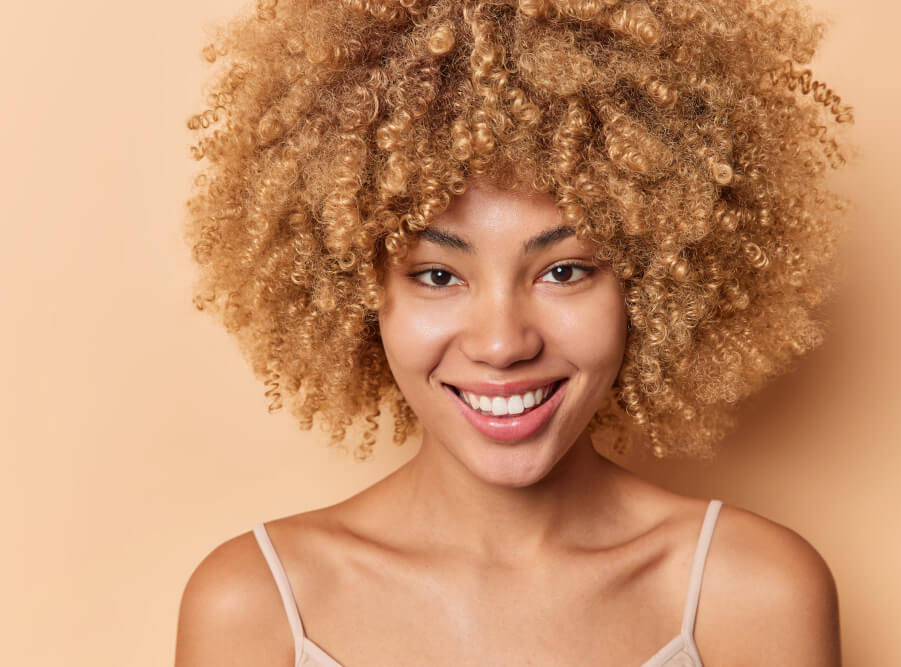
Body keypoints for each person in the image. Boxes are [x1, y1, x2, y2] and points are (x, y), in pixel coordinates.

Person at [175, 0, 852, 664]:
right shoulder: (256, 607)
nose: (502, 344)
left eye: (563, 270)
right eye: (438, 276)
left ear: (650, 282)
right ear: (355, 288)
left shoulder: (751, 596)